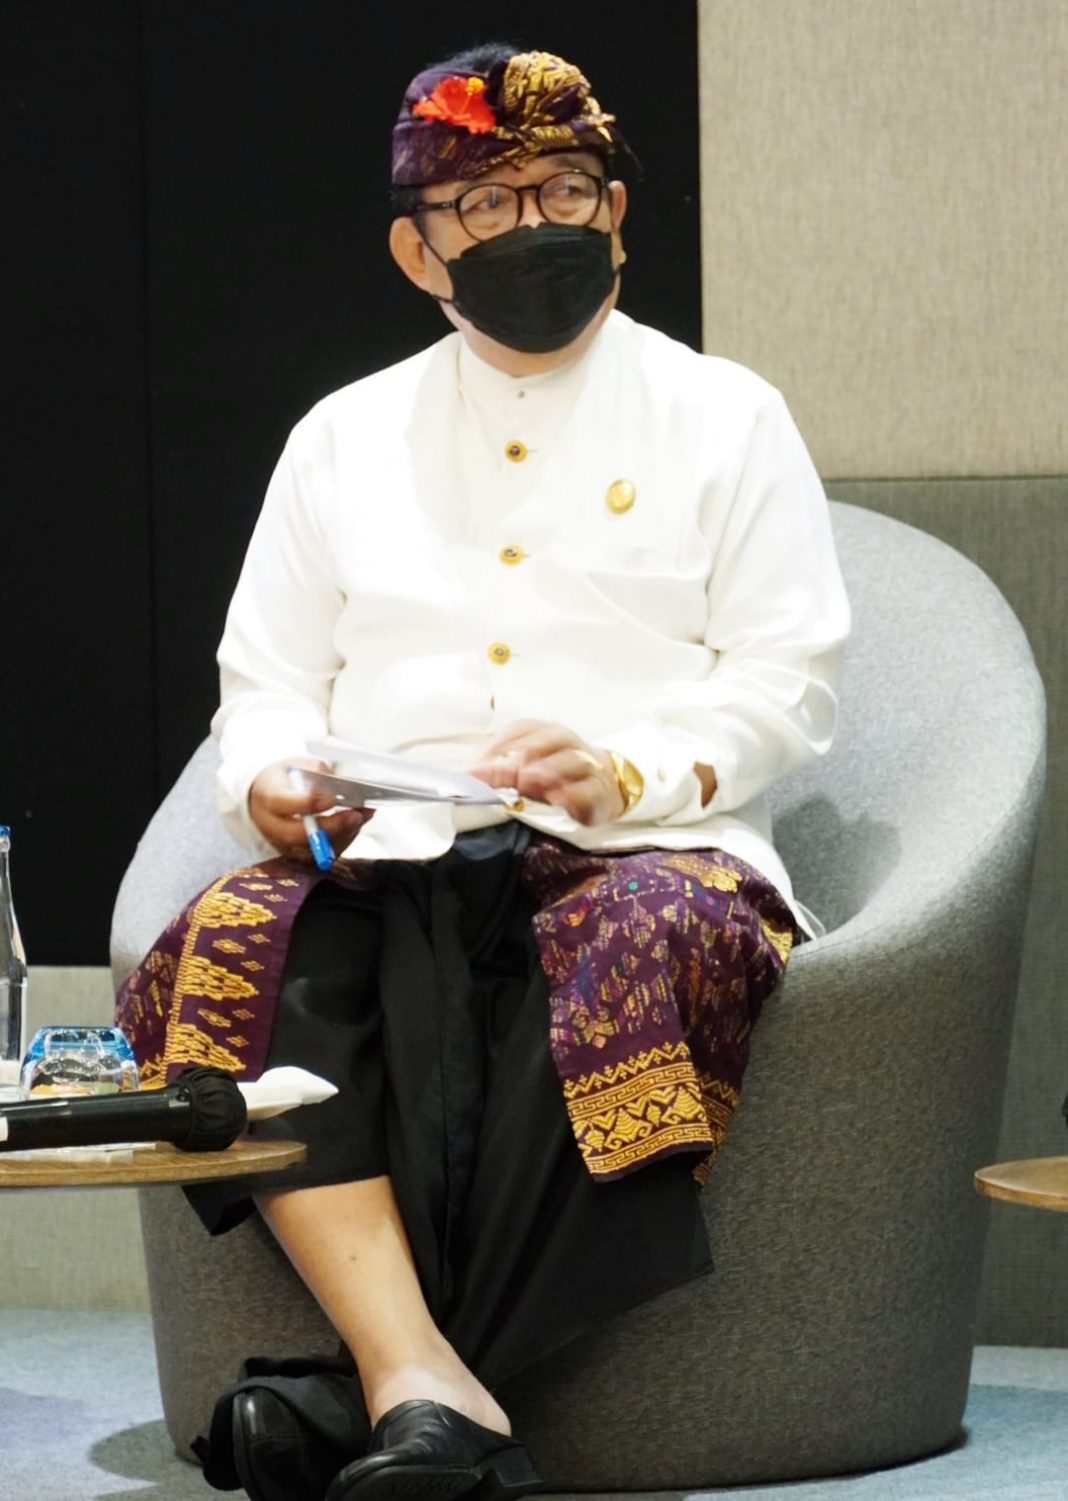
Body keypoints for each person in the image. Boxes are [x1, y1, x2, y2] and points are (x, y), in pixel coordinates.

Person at [117, 39, 850, 1501]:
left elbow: (791, 681)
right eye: (488, 205)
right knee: (223, 944)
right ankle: (417, 1384)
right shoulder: (341, 438)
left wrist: (623, 770)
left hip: (646, 848)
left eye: (568, 190)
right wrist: (270, 787)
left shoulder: (728, 416)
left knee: (635, 946)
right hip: (387, 845)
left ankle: (371, 1392)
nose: (538, 228)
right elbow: (264, 690)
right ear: (417, 249)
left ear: (619, 215)